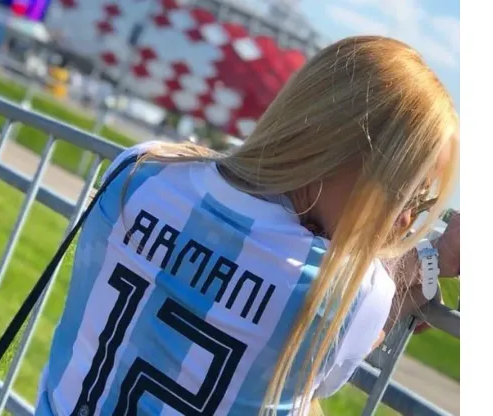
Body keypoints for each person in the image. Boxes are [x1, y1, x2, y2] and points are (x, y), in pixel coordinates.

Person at [35, 36, 460, 416]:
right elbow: (313, 376)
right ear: (344, 158)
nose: (406, 219)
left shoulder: (142, 168)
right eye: (411, 192)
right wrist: (427, 261)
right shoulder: (356, 293)